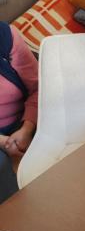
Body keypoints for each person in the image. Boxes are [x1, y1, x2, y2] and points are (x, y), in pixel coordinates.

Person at [0, 21, 38, 203]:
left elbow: (38, 87)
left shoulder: (5, 36)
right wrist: (4, 142)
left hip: (25, 118)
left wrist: (27, 128)